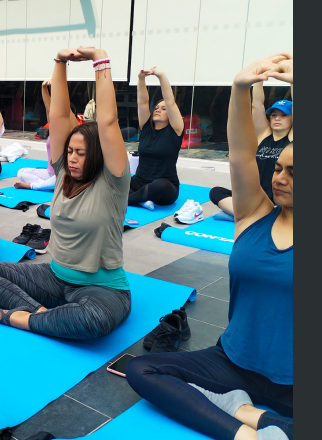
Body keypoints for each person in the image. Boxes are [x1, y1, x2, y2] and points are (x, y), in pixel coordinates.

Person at [126, 54, 293, 440]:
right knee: (142, 370)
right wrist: (238, 88)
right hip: (233, 362)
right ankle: (251, 425)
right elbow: (239, 154)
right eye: (279, 169)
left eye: (293, 172)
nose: (280, 178)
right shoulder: (254, 214)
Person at [0, 47, 132, 341]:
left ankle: (18, 317)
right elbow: (58, 115)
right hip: (56, 278)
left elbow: (108, 122)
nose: (71, 158)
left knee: (92, 322)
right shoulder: (62, 175)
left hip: (103, 290)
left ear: (97, 156)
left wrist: (100, 59)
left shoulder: (113, 183)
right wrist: (59, 62)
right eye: (70, 151)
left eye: (81, 154)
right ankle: (41, 315)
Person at [208, 83, 293, 222]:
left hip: (276, 198)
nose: (277, 118)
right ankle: (258, 216)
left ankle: (246, 215)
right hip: (255, 196)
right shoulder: (264, 134)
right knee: (216, 192)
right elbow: (257, 105)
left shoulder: (291, 139)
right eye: (274, 115)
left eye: (284, 115)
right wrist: (259, 79)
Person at [128, 67, 184, 211]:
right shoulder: (146, 128)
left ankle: (129, 199)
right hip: (139, 182)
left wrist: (161, 76)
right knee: (116, 178)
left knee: (160, 185)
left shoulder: (175, 130)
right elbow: (142, 102)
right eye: (157, 107)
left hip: (165, 186)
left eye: (163, 109)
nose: (158, 109)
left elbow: (170, 101)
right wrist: (141, 79)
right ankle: (142, 198)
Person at [15, 79, 56, 191]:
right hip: (49, 173)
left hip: (61, 176)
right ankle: (44, 184)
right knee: (21, 172)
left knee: (59, 181)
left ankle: (33, 185)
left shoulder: (69, 134)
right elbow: (49, 108)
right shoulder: (53, 127)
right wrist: (44, 87)